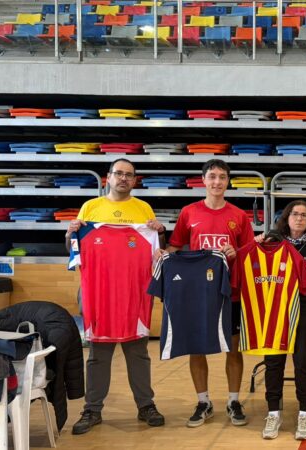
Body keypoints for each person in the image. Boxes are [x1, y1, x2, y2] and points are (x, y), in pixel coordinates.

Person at [65, 158, 165, 435]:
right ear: (107, 177)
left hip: (134, 292)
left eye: (128, 175)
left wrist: (159, 233)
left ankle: (146, 405)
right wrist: (71, 233)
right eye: (118, 173)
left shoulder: (143, 209)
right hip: (99, 293)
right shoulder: (90, 208)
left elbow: (157, 249)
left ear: (134, 180)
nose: (123, 178)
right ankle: (92, 410)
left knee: (138, 352)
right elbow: (73, 249)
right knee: (98, 354)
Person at [161, 159, 254, 428]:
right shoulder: (189, 212)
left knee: (233, 348)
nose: (217, 182)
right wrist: (161, 254)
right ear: (203, 180)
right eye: (212, 176)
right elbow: (175, 247)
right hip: (197, 293)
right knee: (196, 347)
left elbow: (250, 253)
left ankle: (233, 401)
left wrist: (236, 252)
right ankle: (203, 402)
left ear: (228, 182)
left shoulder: (239, 215)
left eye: (222, 177)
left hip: (229, 293)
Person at [257, 200, 306, 440]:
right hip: (275, 308)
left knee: (303, 361)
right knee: (273, 361)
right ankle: (273, 412)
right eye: (295, 214)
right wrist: (255, 244)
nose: (299, 218)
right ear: (286, 218)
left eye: (304, 215)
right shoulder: (272, 242)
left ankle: (303, 413)